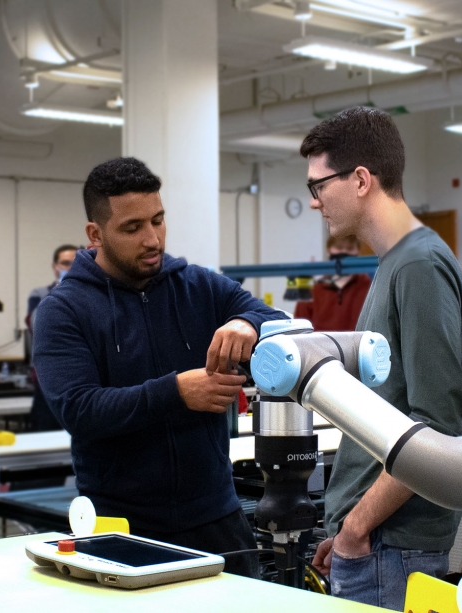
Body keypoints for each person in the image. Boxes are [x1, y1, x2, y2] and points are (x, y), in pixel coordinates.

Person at [32, 157, 284, 577]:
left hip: (216, 518)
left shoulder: (198, 286)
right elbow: (79, 409)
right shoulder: (63, 311)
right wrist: (177, 393)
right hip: (120, 528)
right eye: (132, 228)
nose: (152, 239)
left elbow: (277, 321)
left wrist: (247, 322)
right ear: (95, 234)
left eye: (158, 221)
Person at [298, 107, 462, 610]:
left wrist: (357, 526)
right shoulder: (396, 262)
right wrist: (350, 525)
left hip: (390, 545)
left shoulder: (418, 265)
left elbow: (435, 426)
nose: (315, 203)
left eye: (318, 186)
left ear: (359, 180)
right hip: (377, 542)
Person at [26, 245, 77, 432]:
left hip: (81, 383)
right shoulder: (39, 295)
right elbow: (36, 324)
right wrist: (61, 293)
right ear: (55, 267)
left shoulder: (90, 295)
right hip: (47, 386)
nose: (70, 268)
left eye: (75, 263)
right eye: (65, 263)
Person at [294, 235, 373, 332]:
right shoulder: (312, 291)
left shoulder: (370, 288)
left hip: (359, 346)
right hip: (319, 346)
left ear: (357, 252)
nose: (344, 253)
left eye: (350, 248)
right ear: (328, 251)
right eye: (339, 248)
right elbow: (298, 330)